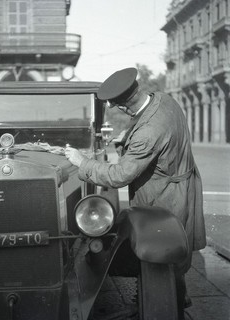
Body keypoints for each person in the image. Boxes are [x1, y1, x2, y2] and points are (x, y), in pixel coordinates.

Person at [65, 67, 206, 319]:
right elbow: (148, 127)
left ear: (123, 107)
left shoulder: (149, 132)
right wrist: (127, 139)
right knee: (172, 250)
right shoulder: (163, 99)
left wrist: (82, 163)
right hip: (180, 182)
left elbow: (120, 176)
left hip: (164, 195)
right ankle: (175, 297)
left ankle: (164, 306)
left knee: (162, 250)